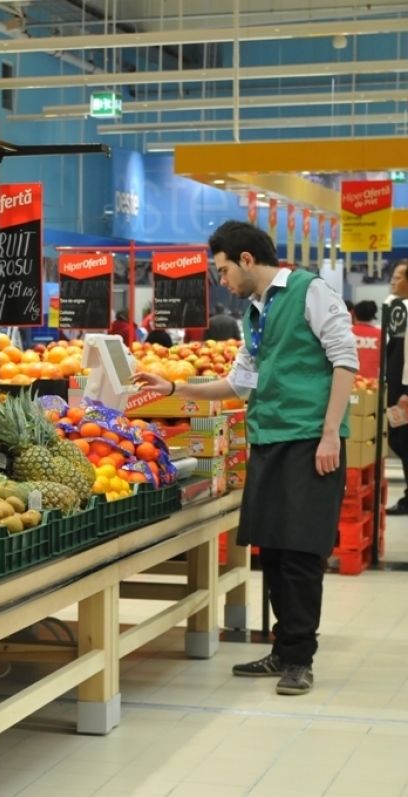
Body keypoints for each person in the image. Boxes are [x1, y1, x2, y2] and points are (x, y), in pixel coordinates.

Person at [135, 220, 357, 697]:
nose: (223, 280)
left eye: (223, 270)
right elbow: (238, 384)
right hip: (269, 438)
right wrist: (174, 387)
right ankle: (283, 648)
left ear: (247, 260)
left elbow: (345, 360)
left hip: (309, 441)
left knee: (301, 553)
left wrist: (330, 434)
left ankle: (299, 659)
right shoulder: (256, 312)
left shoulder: (310, 291)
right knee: (272, 550)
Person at [385, 260, 408, 514]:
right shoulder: (398, 308)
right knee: (398, 438)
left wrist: (406, 393)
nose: (393, 280)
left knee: (402, 440)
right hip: (396, 388)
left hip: (404, 391)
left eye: (399, 276)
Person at [351, 300, 381, 382]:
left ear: (354, 314)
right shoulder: (381, 334)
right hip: (372, 382)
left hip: (349, 379)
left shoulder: (347, 332)